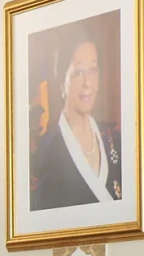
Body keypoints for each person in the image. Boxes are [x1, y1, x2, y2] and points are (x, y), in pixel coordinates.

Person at [30, 32, 122, 211]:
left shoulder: (114, 140)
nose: (87, 83)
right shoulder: (46, 157)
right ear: (61, 83)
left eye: (93, 70)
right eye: (78, 72)